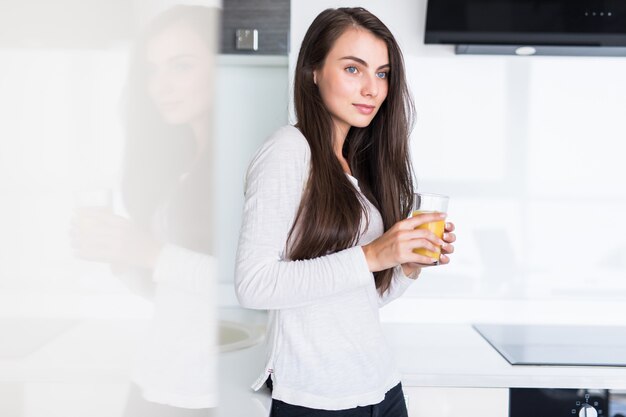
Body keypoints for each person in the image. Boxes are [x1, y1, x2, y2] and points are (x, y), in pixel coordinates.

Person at [235, 6, 456, 416]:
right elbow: (254, 284)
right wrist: (374, 254)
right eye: (354, 69)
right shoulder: (289, 150)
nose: (372, 88)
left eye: (383, 73)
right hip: (317, 400)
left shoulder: (355, 163)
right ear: (313, 71)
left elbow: (356, 302)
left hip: (382, 389)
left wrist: (407, 266)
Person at [70, 5, 219, 414]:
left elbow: (252, 292)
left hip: (208, 393)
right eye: (151, 70)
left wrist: (148, 251)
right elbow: (171, 293)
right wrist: (121, 256)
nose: (161, 86)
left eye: (181, 66)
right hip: (156, 380)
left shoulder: (246, 165)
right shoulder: (181, 168)